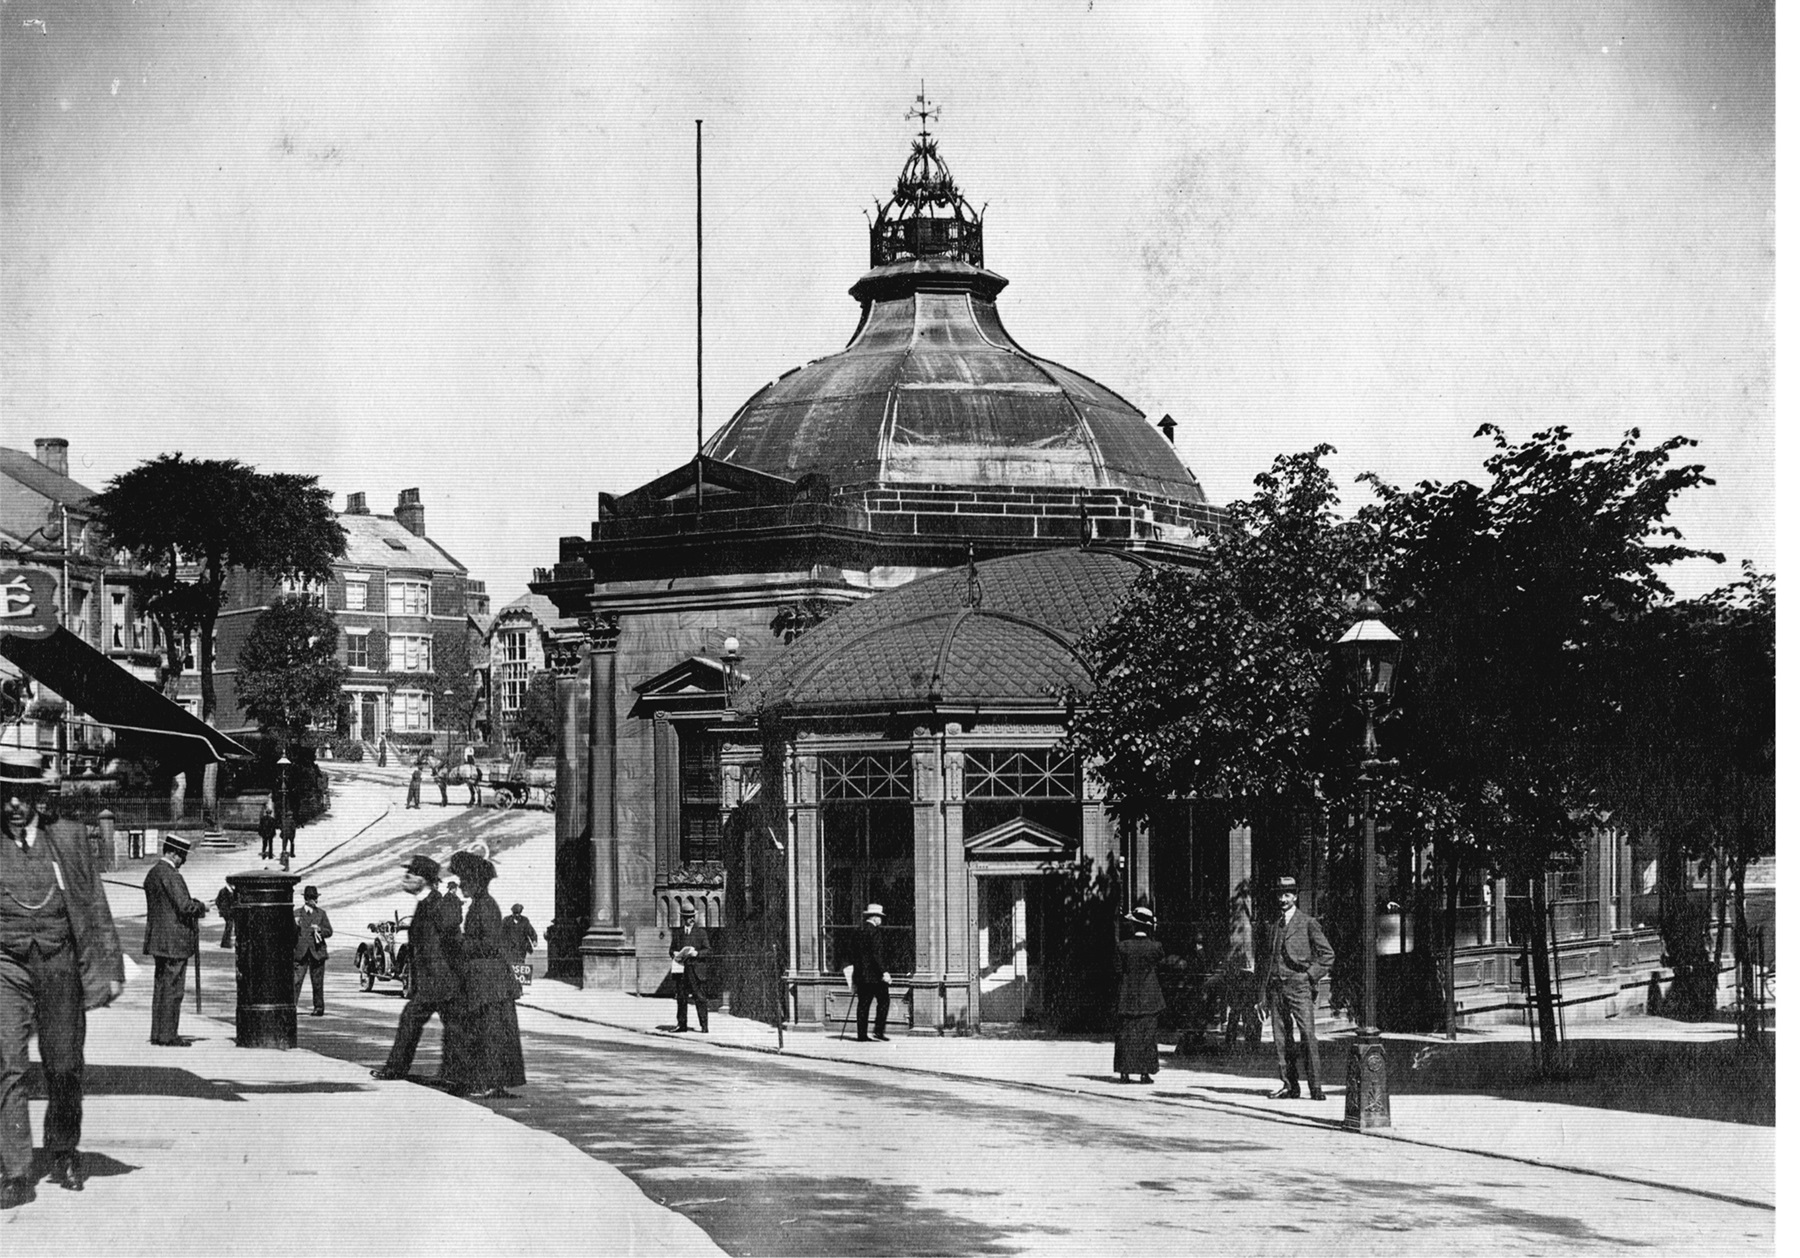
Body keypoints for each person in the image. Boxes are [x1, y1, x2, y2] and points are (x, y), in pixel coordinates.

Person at [0, 747, 125, 1210]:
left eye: (22, 796)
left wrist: (109, 969)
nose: (14, 806)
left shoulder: (67, 838)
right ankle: (14, 1172)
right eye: (6, 796)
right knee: (7, 1064)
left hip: (58, 962)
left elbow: (94, 904)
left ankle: (64, 1150)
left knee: (65, 1065)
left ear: (37, 798)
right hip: (5, 966)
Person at [371, 855, 464, 1083]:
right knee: (450, 1026)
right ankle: (452, 1075)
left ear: (425, 879)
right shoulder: (425, 903)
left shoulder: (438, 902)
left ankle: (399, 1070)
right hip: (433, 980)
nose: (406, 877)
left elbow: (452, 933)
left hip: (442, 980)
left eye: (411, 873)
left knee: (421, 1021)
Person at [441, 850, 525, 1099]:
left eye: (465, 882)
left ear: (476, 883)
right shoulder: (480, 904)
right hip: (485, 978)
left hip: (489, 979)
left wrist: (459, 942)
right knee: (489, 1031)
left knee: (489, 1032)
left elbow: (488, 944)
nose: (462, 887)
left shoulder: (485, 906)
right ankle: (487, 1082)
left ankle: (487, 1083)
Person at [1263, 875, 1334, 1101]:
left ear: (1295, 896)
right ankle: (1289, 1085)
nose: (1283, 899)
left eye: (1287, 894)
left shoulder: (1307, 922)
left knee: (1307, 1035)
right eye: (1280, 894)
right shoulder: (1273, 925)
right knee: (1281, 1039)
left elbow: (1327, 955)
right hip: (1276, 988)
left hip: (1299, 987)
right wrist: (1261, 994)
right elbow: (1267, 961)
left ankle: (1316, 1087)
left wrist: (1308, 976)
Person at [142, 833, 207, 1047]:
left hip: (158, 940)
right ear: (172, 853)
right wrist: (200, 906)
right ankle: (169, 1035)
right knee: (173, 989)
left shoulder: (153, 873)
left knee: (161, 987)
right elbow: (184, 906)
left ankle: (158, 1033)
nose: (182, 861)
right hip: (175, 941)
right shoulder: (171, 875)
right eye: (181, 856)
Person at [1114, 905, 1165, 1084]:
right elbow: (1159, 968)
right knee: (1147, 1035)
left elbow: (1118, 971)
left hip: (1127, 995)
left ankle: (1124, 1072)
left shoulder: (1123, 947)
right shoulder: (1156, 947)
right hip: (1149, 996)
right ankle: (1145, 1072)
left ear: (1135, 926)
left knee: (1126, 1033)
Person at [842, 903, 892, 1042]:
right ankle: (878, 1031)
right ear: (875, 917)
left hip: (860, 975)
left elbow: (851, 952)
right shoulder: (875, 932)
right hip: (876, 977)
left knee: (863, 1005)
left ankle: (861, 1035)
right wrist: (884, 972)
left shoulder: (858, 931)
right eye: (880, 917)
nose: (881, 920)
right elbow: (877, 955)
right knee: (884, 1002)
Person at [668, 904, 710, 1033]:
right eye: (687, 917)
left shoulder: (701, 932)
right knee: (681, 997)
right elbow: (671, 949)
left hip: (695, 970)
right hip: (681, 970)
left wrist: (697, 953)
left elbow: (708, 950)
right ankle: (682, 1025)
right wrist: (674, 953)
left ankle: (704, 1026)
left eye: (691, 917)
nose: (690, 919)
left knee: (699, 997)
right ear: (683, 919)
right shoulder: (678, 933)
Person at [292, 885, 333, 1017]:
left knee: (317, 982)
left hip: (317, 952)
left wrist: (320, 930)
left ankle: (319, 1007)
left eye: (315, 898)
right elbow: (289, 933)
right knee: (296, 981)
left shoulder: (321, 913)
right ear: (306, 899)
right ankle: (292, 1007)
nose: (315, 900)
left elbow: (329, 931)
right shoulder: (296, 913)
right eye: (312, 898)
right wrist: (295, 926)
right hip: (301, 952)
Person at [500, 903, 537, 987]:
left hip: (521, 948)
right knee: (510, 966)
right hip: (509, 948)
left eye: (518, 913)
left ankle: (519, 987)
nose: (517, 915)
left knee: (520, 966)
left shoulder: (525, 920)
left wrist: (534, 940)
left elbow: (530, 931)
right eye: (515, 913)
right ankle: (510, 986)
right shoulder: (506, 920)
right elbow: (501, 933)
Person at [215, 884, 236, 949]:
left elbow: (217, 901)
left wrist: (220, 909)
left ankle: (225, 942)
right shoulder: (229, 891)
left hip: (225, 912)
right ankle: (225, 942)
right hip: (228, 912)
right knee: (229, 926)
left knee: (229, 926)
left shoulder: (222, 890)